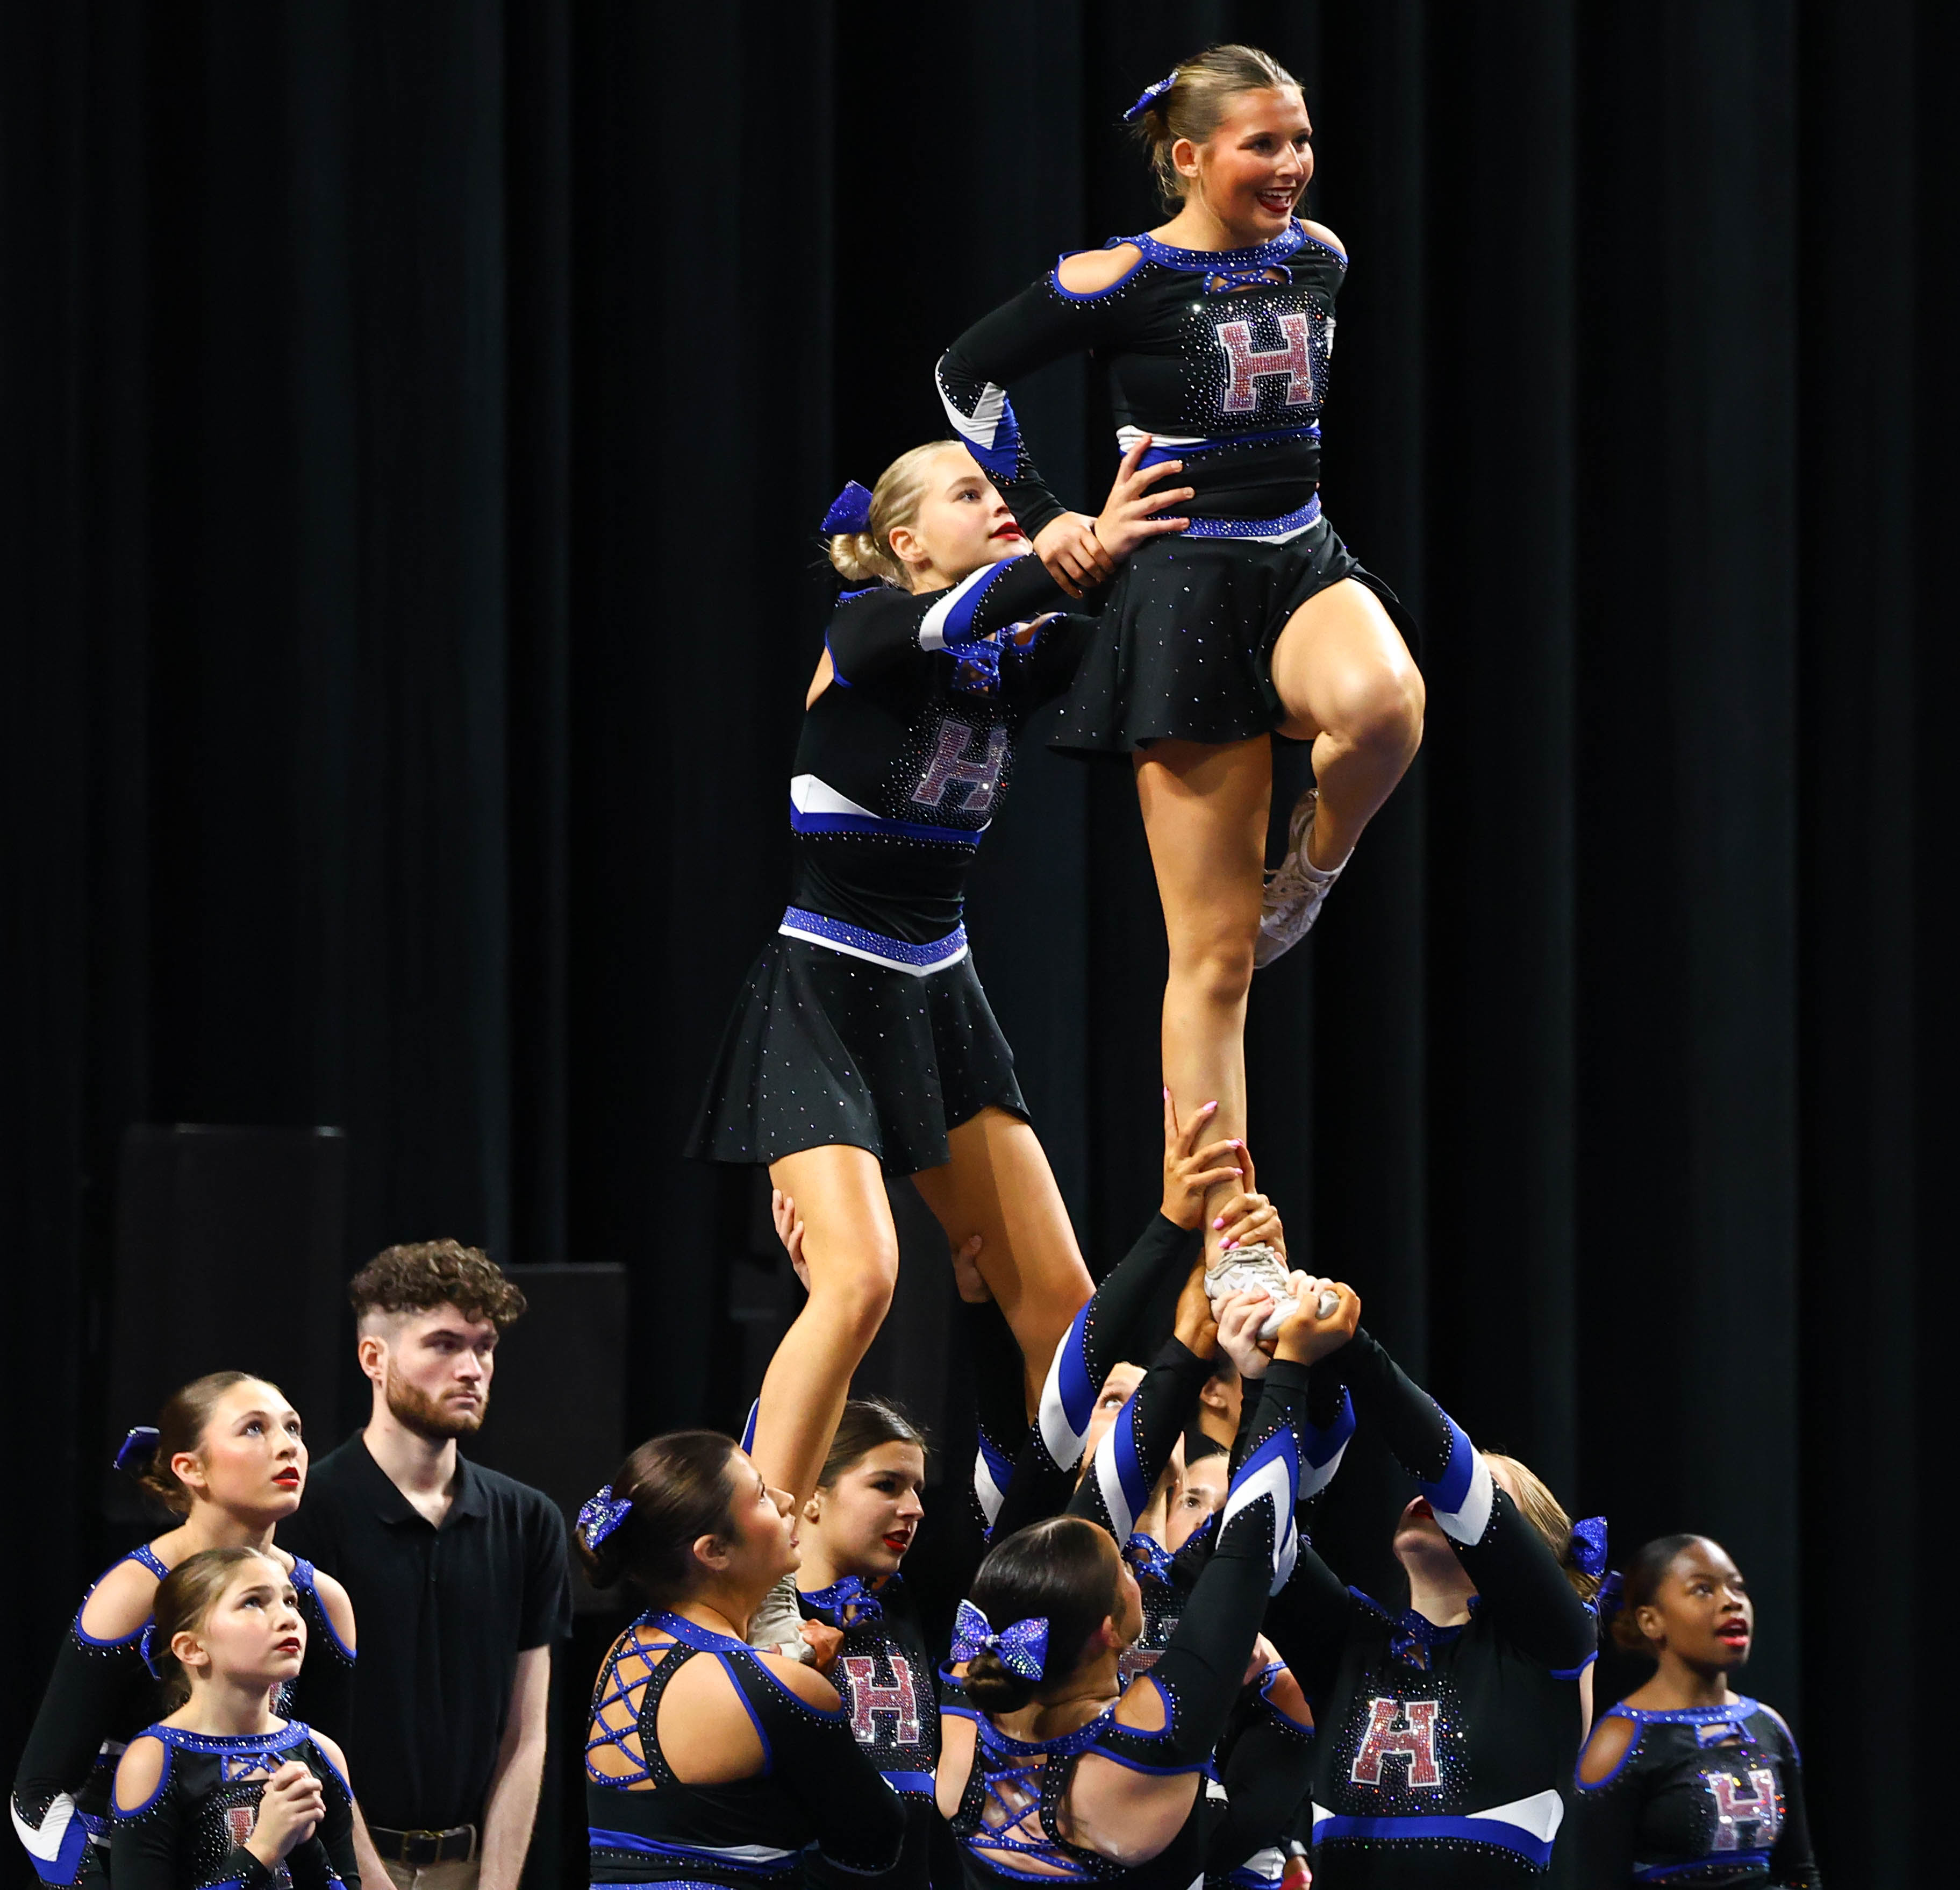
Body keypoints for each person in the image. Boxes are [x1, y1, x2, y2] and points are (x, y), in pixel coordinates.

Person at [936, 43, 1425, 1263]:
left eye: (1300, 139)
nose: (1291, 164)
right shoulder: (1124, 276)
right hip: (1183, 588)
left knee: (1384, 708)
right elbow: (965, 372)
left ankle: (1309, 865)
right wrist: (1047, 516)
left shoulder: (1319, 258)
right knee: (1210, 959)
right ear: (1191, 156)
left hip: (1297, 553)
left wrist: (1311, 860)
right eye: (1263, 144)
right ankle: (1227, 1240)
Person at [688, 436, 1191, 1511]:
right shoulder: (864, 630)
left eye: (1002, 490)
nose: (1001, 503)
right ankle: (760, 1563)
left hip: (939, 995)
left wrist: (1159, 536)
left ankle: (1083, 1561)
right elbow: (962, 614)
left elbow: (1146, 627)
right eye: (972, 492)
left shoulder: (1013, 657)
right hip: (823, 989)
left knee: (1066, 1310)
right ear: (906, 541)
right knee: (861, 1279)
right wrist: (1074, 547)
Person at [935, 1286, 1360, 1890]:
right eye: (1122, 1567)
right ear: (1111, 1630)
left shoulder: (969, 1687)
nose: (1135, 1564)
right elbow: (1248, 1546)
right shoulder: (1148, 1737)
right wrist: (1282, 1368)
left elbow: (1106, 1510)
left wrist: (1191, 1342)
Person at [1260, 1322, 1601, 1882]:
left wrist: (1350, 1344)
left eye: (1486, 1490)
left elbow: (1449, 1470)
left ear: (1527, 1552)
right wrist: (1281, 1371)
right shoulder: (1352, 1646)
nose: (1431, 1495)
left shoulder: (1550, 1647)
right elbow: (1259, 1538)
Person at [278, 1243, 570, 1890]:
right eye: (443, 1344)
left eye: (484, 1346)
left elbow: (527, 1731)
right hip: (335, 1864)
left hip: (471, 1865)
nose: (471, 1368)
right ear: (374, 1358)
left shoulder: (529, 1519)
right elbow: (289, 1725)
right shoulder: (304, 1513)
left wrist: (496, 1884)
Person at [13, 1374, 356, 1890]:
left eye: (294, 1428)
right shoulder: (135, 1593)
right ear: (190, 1467)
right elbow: (37, 1795)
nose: (288, 1446)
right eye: (254, 1428)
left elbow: (329, 1784)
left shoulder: (322, 1601)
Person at [579, 1431, 906, 1889]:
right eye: (762, 1494)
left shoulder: (623, 1650)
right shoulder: (779, 1687)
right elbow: (874, 1845)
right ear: (714, 1550)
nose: (788, 1500)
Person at [1571, 1535, 1819, 1887]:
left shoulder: (1768, 1726)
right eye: (1703, 1590)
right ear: (1651, 1621)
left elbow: (1800, 1873)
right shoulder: (1622, 1739)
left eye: (1737, 1587)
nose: (1732, 1602)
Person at [109, 1546, 359, 1890]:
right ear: (192, 1648)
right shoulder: (154, 1761)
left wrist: (304, 1844)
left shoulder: (322, 1753)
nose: (288, 1619)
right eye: (253, 1602)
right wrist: (263, 1849)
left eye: (291, 1601)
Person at [786, 1401, 940, 1890]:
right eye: (887, 1485)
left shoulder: (913, 1603)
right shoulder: (759, 1619)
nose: (914, 1508)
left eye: (917, 1489)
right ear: (813, 1495)